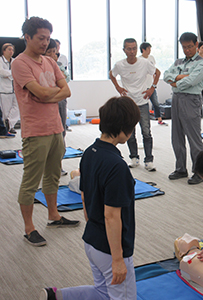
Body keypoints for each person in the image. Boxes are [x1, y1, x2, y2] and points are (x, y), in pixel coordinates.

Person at [41, 96, 140, 300]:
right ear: (124, 128)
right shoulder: (117, 167)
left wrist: (92, 225)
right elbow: (112, 216)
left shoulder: (89, 153)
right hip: (109, 248)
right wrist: (118, 259)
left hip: (92, 240)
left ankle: (56, 296)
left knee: (103, 292)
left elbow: (85, 196)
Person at [12, 17, 79, 247]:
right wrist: (50, 93)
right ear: (27, 37)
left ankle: (54, 216)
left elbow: (66, 91)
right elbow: (41, 92)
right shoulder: (20, 63)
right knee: (31, 180)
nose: (45, 43)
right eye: (41, 38)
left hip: (55, 128)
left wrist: (47, 94)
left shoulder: (50, 62)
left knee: (52, 176)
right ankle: (29, 228)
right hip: (35, 131)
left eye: (48, 38)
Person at [164, 32, 203, 185]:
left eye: (190, 47)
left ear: (196, 45)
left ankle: (200, 171)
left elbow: (192, 81)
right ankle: (181, 168)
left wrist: (176, 81)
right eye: (184, 47)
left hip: (191, 100)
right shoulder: (178, 62)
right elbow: (166, 75)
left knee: (194, 138)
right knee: (176, 136)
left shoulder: (201, 63)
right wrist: (180, 78)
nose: (187, 50)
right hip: (176, 99)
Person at [110, 38, 160, 171]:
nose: (132, 51)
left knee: (146, 132)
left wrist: (152, 88)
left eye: (134, 48)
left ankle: (149, 160)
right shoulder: (120, 65)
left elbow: (157, 73)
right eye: (129, 49)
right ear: (124, 50)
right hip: (128, 103)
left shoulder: (144, 62)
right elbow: (111, 74)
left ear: (137, 49)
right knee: (129, 133)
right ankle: (134, 157)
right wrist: (118, 88)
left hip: (142, 101)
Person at [45, 38, 71, 176]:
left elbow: (66, 84)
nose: (53, 55)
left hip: (60, 102)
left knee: (61, 133)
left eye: (54, 52)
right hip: (46, 106)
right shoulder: (40, 68)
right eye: (49, 52)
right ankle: (48, 166)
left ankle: (58, 165)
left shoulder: (59, 67)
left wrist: (54, 91)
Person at [139, 42, 167, 126]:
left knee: (156, 104)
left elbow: (155, 72)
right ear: (143, 50)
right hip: (143, 87)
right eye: (148, 49)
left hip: (151, 86)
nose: (150, 51)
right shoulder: (139, 60)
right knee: (143, 105)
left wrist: (154, 84)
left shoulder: (151, 58)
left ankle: (159, 119)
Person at [0, 43, 19, 134]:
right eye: (9, 49)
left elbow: (19, 72)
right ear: (4, 51)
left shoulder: (15, 61)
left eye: (12, 50)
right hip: (4, 90)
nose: (11, 51)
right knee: (5, 111)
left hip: (15, 89)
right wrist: (12, 74)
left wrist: (10, 74)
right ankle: (7, 129)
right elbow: (2, 73)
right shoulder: (0, 61)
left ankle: (10, 124)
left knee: (17, 108)